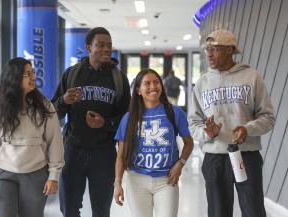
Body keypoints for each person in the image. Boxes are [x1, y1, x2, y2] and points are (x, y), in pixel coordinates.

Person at [188, 29, 276, 217]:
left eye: (214, 49)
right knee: (218, 213)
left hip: (246, 155)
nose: (209, 54)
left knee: (254, 212)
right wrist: (207, 133)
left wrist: (247, 128)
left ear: (230, 50)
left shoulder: (252, 77)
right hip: (215, 158)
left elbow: (268, 117)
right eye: (207, 49)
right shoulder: (202, 83)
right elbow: (193, 123)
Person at [52, 27, 131, 217]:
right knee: (69, 210)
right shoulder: (71, 74)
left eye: (109, 45)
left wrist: (105, 123)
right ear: (88, 47)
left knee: (101, 211)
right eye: (101, 45)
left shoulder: (119, 79)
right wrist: (64, 101)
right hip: (73, 151)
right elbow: (53, 113)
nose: (106, 49)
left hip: (104, 154)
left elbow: (127, 120)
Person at [0, 57, 64, 217]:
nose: (33, 77)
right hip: (2, 174)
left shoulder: (45, 107)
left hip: (36, 174)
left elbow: (55, 142)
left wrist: (54, 176)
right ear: (14, 78)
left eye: (33, 73)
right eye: (27, 74)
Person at [114, 69, 194, 217]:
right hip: (137, 180)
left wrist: (180, 164)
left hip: (167, 180)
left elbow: (189, 143)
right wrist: (117, 183)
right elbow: (121, 155)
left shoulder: (174, 112)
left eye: (156, 82)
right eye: (147, 83)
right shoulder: (129, 118)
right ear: (138, 90)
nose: (153, 87)